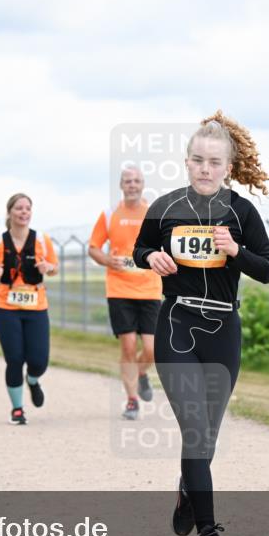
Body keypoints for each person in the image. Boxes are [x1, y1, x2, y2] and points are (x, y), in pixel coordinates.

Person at [133, 111, 269, 536]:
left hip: (222, 329)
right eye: (198, 160)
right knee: (195, 429)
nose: (205, 169)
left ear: (228, 167)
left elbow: (267, 270)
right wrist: (152, 256)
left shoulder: (242, 212)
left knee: (206, 437)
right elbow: (140, 249)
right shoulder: (165, 207)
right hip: (175, 324)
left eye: (215, 162)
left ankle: (187, 489)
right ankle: (208, 535)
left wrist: (236, 251)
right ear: (187, 162)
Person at [89, 167, 163, 420]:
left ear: (143, 185)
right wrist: (108, 261)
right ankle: (132, 400)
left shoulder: (153, 213)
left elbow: (166, 245)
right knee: (129, 346)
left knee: (153, 350)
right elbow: (93, 248)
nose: (132, 185)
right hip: (119, 288)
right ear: (121, 185)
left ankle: (141, 373)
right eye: (127, 181)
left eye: (137, 181)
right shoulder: (110, 214)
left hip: (150, 288)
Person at [0, 193, 58, 425]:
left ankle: (32, 381)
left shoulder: (42, 240)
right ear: (10, 212)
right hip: (5, 306)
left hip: (36, 305)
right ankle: (17, 409)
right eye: (19, 208)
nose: (24, 212)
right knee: (14, 358)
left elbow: (54, 269)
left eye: (27, 208)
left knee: (39, 360)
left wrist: (48, 267)